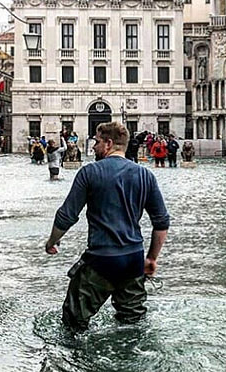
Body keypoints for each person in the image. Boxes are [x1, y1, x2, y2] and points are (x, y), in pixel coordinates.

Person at [44, 122, 170, 331]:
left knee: (73, 322)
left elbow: (66, 215)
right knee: (132, 324)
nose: (93, 146)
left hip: (100, 259)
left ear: (109, 143)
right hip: (133, 259)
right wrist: (151, 258)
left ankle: (78, 362)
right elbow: (162, 222)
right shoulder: (146, 175)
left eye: (97, 141)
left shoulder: (89, 172)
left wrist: (52, 241)